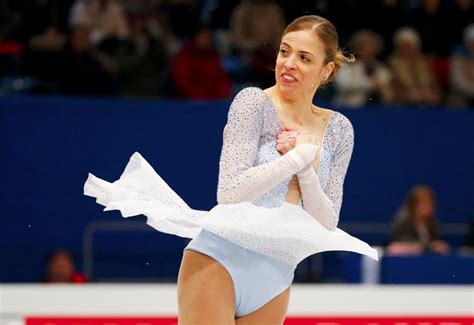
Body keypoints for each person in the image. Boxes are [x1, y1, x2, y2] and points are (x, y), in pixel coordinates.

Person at [84, 15, 377, 324]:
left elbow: (327, 221)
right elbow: (229, 191)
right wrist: (290, 161)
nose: (289, 63)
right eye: (284, 51)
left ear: (327, 69)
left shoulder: (339, 129)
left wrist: (304, 169)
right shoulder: (252, 103)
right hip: (219, 259)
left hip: (276, 277)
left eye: (304, 58)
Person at [387, 185, 450, 255]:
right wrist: (427, 246)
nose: (428, 207)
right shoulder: (403, 222)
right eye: (424, 203)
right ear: (414, 205)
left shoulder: (432, 222)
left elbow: (435, 242)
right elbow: (396, 246)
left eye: (431, 203)